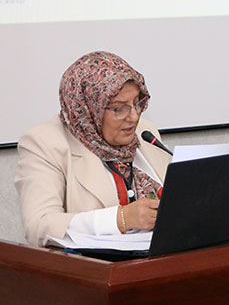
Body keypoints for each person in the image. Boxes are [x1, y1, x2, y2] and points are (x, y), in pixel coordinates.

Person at [14, 51, 171, 247]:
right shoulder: (45, 143)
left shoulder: (146, 133)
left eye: (137, 103)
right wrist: (120, 219)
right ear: (90, 107)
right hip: (94, 264)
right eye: (119, 108)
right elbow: (39, 226)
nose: (133, 117)